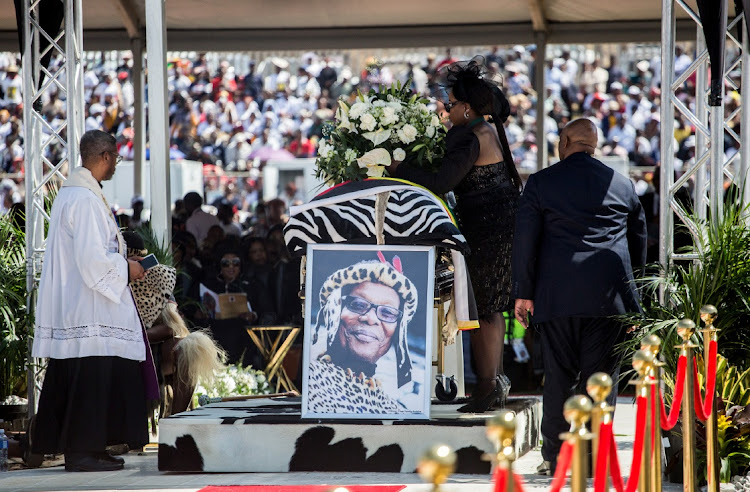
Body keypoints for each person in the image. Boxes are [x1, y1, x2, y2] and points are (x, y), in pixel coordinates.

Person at [512, 118, 647, 475]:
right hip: (609, 296)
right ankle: (594, 455)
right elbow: (638, 243)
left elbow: (525, 243)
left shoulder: (541, 183)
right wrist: (634, 301)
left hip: (557, 296)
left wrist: (523, 294)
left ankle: (556, 457)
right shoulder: (621, 184)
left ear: (566, 141)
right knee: (602, 379)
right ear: (594, 143)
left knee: (558, 375)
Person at [388, 58, 522, 413]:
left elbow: (441, 182)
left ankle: (487, 387)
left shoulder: (472, 136)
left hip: (488, 231)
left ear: (467, 108)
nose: (446, 112)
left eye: (450, 105)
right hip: (496, 228)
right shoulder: (487, 129)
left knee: (485, 310)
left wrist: (400, 169)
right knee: (489, 310)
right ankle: (493, 383)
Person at [31, 130, 157, 472]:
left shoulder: (80, 194)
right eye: (115, 157)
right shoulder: (84, 200)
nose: (116, 162)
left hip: (88, 305)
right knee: (90, 381)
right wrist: (126, 268)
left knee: (99, 379)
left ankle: (95, 445)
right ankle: (81, 451)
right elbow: (91, 259)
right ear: (104, 156)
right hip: (88, 307)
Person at [307, 254, 421, 414]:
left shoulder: (396, 411)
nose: (371, 318)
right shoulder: (310, 381)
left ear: (397, 331)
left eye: (387, 313)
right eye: (358, 304)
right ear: (335, 311)